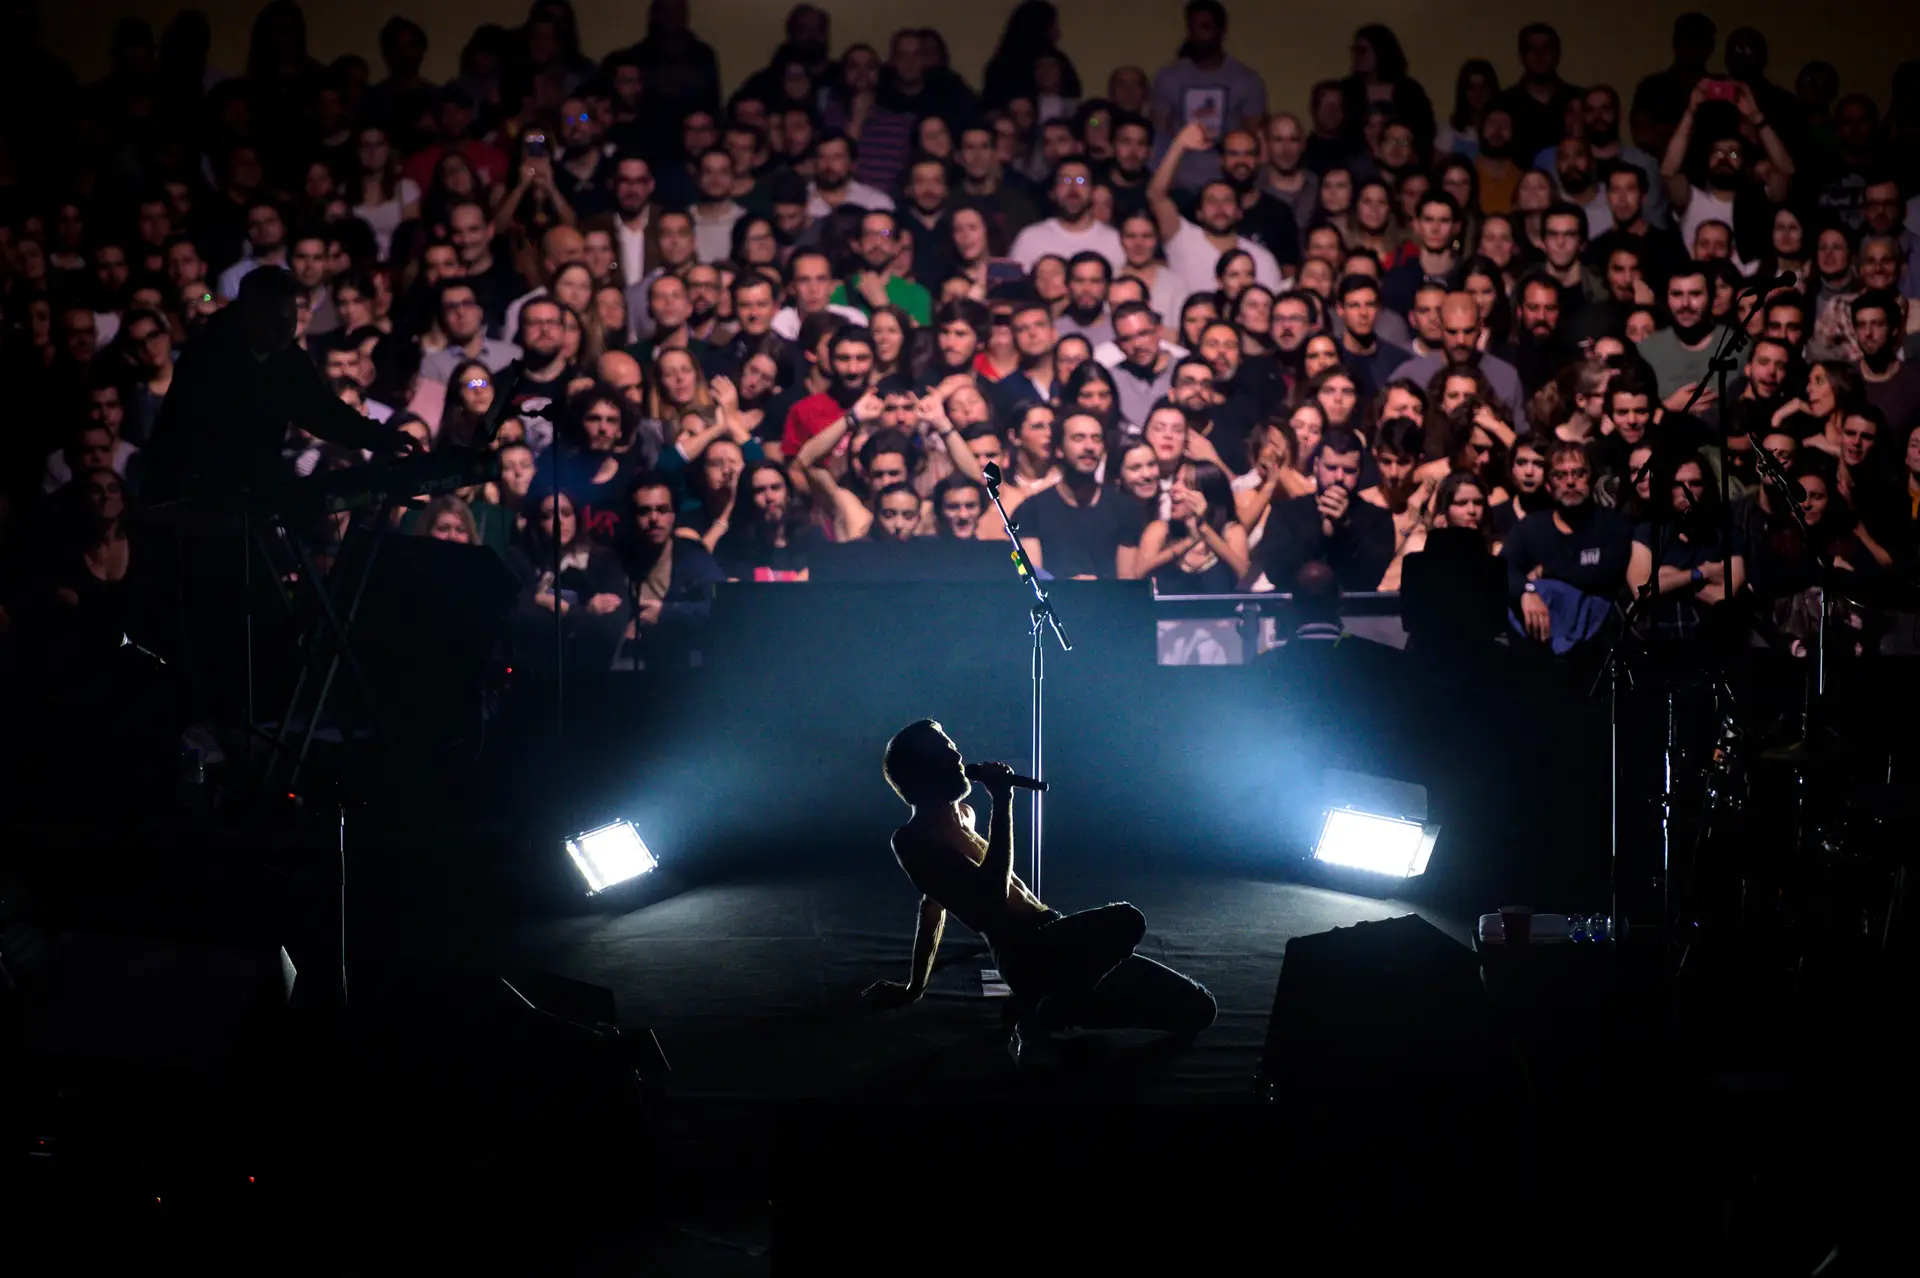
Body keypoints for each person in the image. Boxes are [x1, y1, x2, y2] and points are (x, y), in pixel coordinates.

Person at [866, 720, 1217, 1065]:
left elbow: (932, 905)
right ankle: (1042, 1019)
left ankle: (1048, 1005)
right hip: (1025, 954)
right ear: (922, 772)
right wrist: (1003, 802)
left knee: (1201, 1009)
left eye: (952, 747)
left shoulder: (966, 815)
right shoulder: (913, 840)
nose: (958, 756)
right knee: (1127, 920)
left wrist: (915, 985)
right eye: (944, 752)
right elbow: (986, 897)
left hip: (1060, 941)